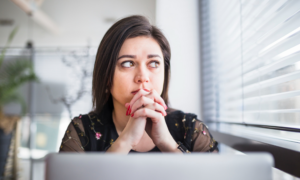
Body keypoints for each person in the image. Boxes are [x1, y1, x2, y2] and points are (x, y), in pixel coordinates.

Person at [59, 15, 218, 153]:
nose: (143, 77)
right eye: (127, 63)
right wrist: (125, 141)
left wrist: (168, 144)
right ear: (106, 76)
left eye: (154, 63)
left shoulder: (191, 129)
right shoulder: (82, 131)